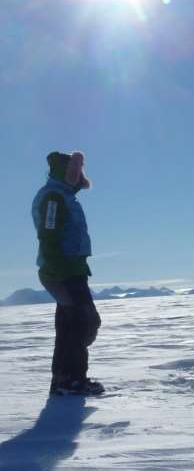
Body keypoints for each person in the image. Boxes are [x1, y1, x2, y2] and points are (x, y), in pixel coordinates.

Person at [31, 151, 104, 396]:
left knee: (70, 325)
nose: (78, 177)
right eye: (74, 172)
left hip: (70, 269)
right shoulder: (54, 197)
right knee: (83, 322)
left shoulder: (62, 196)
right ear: (66, 173)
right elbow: (48, 235)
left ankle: (65, 381)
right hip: (64, 271)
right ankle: (72, 381)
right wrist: (59, 270)